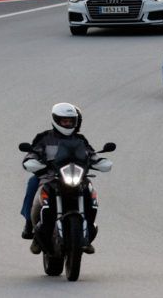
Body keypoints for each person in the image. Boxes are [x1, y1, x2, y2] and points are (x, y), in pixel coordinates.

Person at [21, 103, 99, 254]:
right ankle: (30, 225)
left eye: (70, 121)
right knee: (32, 183)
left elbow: (91, 154)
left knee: (90, 191)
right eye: (64, 121)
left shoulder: (80, 139)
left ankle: (86, 235)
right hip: (50, 177)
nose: (68, 124)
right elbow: (33, 152)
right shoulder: (44, 138)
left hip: (76, 177)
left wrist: (99, 161)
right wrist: (31, 160)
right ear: (56, 120)